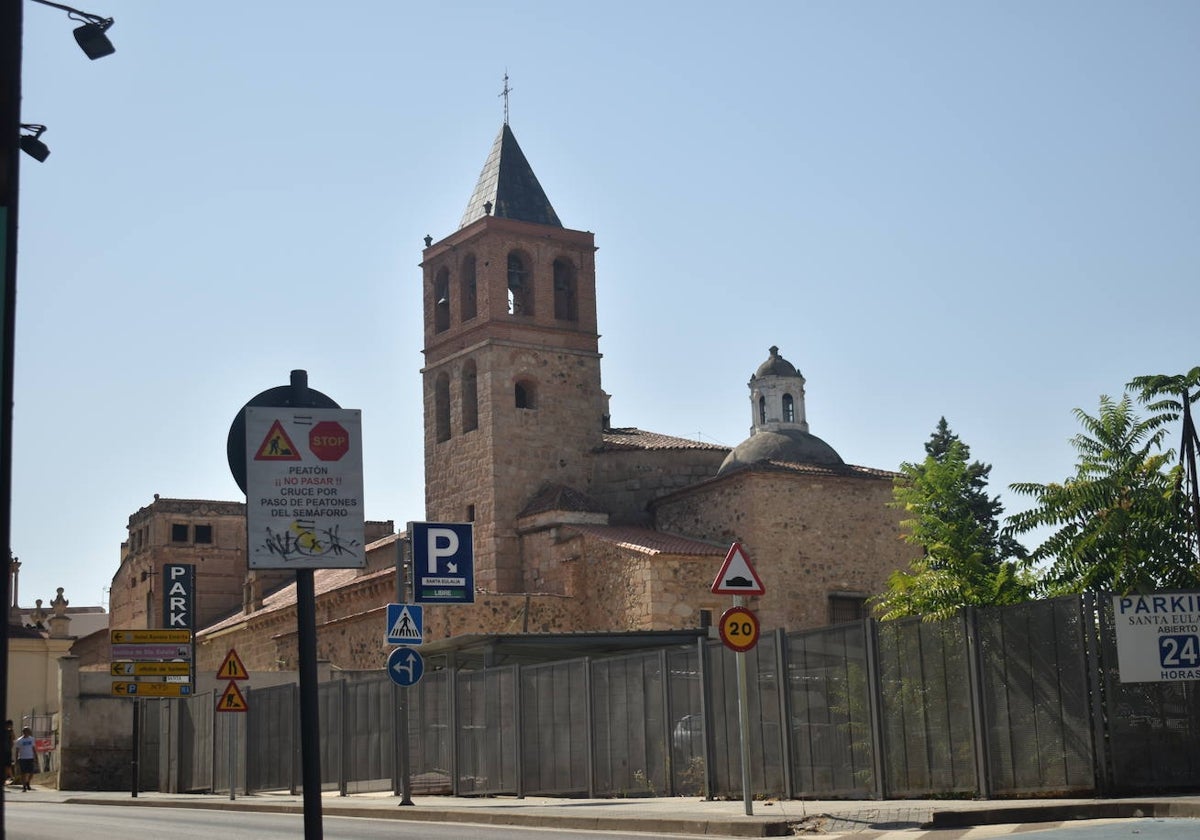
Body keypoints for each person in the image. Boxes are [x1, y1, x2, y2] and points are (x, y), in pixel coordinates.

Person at [13, 727, 36, 792]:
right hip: (22, 758)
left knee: (31, 773)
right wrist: (16, 759)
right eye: (25, 731)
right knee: (23, 773)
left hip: (30, 757)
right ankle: (24, 787)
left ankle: (27, 782)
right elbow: (17, 750)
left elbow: (33, 748)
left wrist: (35, 756)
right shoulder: (19, 740)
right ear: (23, 732)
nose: (26, 732)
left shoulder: (32, 739)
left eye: (28, 731)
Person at [3, 721, 12, 785]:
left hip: (7, 751)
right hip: (6, 751)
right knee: (6, 766)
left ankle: (5, 779)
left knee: (7, 766)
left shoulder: (10, 732)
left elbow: (12, 740)